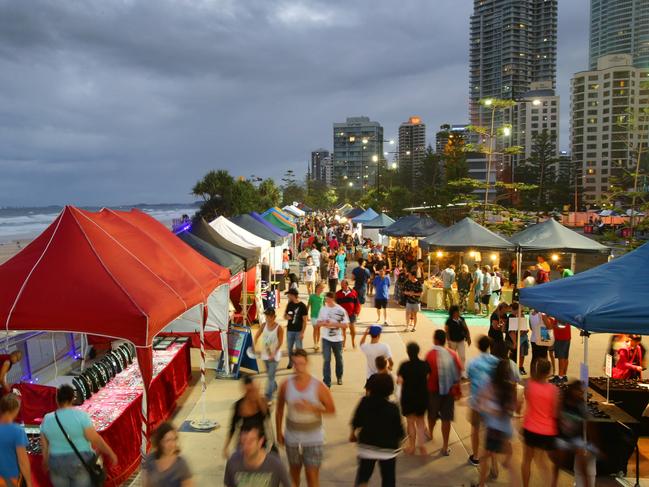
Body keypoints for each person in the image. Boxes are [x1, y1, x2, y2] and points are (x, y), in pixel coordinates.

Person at [276, 349, 335, 487]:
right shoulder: (285, 385)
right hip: (292, 437)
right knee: (294, 475)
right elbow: (279, 410)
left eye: (301, 363)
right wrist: (279, 433)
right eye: (295, 364)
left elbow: (331, 409)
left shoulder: (318, 386)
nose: (298, 367)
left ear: (307, 363)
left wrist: (312, 408)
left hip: (314, 437)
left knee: (312, 476)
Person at [41, 385, 117, 487]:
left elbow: (44, 445)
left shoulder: (47, 419)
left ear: (57, 399)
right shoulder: (81, 416)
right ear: (72, 398)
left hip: (57, 465)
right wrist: (110, 453)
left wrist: (45, 462)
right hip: (79, 462)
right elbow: (95, 439)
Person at [350, 373, 404, 487]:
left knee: (363, 475)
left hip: (367, 447)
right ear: (389, 389)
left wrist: (353, 434)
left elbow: (356, 421)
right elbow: (399, 431)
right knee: (388, 479)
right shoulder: (393, 408)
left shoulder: (364, 402)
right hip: (387, 450)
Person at [472, 358, 519, 487]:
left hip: (494, 428)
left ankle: (481, 484)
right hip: (507, 429)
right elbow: (514, 408)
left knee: (483, 457)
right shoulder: (511, 387)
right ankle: (514, 481)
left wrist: (489, 409)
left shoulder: (490, 384)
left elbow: (480, 404)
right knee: (508, 460)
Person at [520, 358, 559, 487]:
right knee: (543, 462)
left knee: (527, 460)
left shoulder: (529, 386)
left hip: (530, 427)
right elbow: (555, 412)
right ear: (548, 372)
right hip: (548, 430)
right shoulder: (553, 390)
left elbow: (526, 402)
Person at [425, 329, 462, 456]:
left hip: (433, 390)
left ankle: (430, 433)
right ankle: (445, 446)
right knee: (446, 419)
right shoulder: (453, 354)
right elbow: (458, 373)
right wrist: (457, 391)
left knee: (432, 414)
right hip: (449, 391)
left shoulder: (430, 355)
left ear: (435, 340)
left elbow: (427, 375)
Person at [554, 381, 595, 487]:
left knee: (583, 464)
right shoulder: (563, 402)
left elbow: (589, 424)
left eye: (582, 392)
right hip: (562, 437)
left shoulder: (581, 405)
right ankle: (553, 483)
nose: (580, 394)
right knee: (558, 462)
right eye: (579, 391)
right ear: (572, 390)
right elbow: (556, 417)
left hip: (575, 438)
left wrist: (591, 442)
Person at [466, 336, 498, 467]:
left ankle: (476, 456)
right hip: (492, 402)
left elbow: (469, 380)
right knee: (491, 432)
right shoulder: (496, 362)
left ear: (479, 347)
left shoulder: (473, 363)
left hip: (477, 401)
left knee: (475, 429)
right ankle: (493, 460)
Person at [225, 422, 291, 487]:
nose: (246, 446)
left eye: (250, 441)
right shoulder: (232, 462)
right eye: (243, 441)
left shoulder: (275, 465)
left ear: (260, 441)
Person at [222, 377, 270, 459]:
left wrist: (258, 397)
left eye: (251, 390)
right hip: (244, 441)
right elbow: (232, 427)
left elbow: (266, 416)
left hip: (259, 441)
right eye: (247, 391)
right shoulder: (239, 404)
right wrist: (226, 447)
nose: (249, 393)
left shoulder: (261, 401)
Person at [397, 343, 430, 456]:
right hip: (422, 396)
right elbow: (428, 377)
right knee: (420, 421)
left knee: (410, 422)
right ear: (418, 352)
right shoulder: (425, 365)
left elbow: (399, 381)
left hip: (408, 397)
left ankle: (412, 446)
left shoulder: (404, 365)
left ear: (408, 352)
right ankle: (421, 445)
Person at [143, 422, 192, 487]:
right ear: (160, 442)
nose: (172, 444)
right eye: (168, 440)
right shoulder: (150, 460)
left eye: (174, 439)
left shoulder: (181, 465)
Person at [316, 292, 349, 387]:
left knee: (339, 359)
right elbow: (318, 323)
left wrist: (333, 324)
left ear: (332, 299)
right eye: (325, 298)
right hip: (326, 338)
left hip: (338, 339)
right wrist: (323, 323)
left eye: (326, 298)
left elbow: (346, 325)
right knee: (326, 360)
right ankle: (327, 382)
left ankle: (339, 376)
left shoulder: (340, 310)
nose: (325, 300)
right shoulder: (323, 309)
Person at [0, 393, 32, 487]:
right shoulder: (17, 431)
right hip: (9, 478)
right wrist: (29, 482)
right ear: (16, 409)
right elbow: (23, 461)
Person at [254, 308, 284, 401]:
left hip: (274, 356)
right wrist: (254, 346)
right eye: (266, 316)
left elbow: (280, 342)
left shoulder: (279, 328)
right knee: (270, 375)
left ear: (273, 317)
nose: (267, 318)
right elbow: (256, 336)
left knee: (270, 377)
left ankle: (268, 397)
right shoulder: (263, 326)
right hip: (265, 355)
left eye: (269, 316)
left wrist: (274, 354)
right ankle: (274, 386)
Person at [284, 289, 308, 369]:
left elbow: (305, 321)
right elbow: (285, 315)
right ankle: (291, 362)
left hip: (298, 331)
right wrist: (286, 317)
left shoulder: (302, 306)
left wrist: (302, 332)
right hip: (290, 331)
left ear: (293, 295)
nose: (287, 296)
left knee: (299, 350)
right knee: (290, 348)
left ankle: (301, 364)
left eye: (288, 295)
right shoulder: (289, 304)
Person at [335, 280, 361, 349]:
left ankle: (353, 341)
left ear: (346, 285)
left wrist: (357, 312)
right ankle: (344, 345)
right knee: (343, 331)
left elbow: (357, 303)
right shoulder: (338, 294)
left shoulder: (353, 292)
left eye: (342, 284)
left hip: (352, 314)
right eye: (341, 284)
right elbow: (336, 305)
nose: (341, 285)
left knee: (353, 330)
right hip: (342, 315)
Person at [445, 305, 471, 371]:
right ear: (453, 312)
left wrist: (468, 338)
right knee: (451, 357)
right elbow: (447, 332)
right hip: (452, 341)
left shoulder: (462, 319)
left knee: (462, 357)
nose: (459, 312)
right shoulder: (449, 321)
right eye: (457, 311)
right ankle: (451, 371)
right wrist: (448, 341)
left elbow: (466, 328)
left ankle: (462, 372)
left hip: (461, 341)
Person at [529, 310, 555, 376]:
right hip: (542, 338)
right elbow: (549, 326)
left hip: (533, 338)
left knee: (534, 358)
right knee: (543, 358)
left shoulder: (531, 314)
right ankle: (541, 375)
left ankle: (533, 374)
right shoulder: (542, 314)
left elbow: (531, 327)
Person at [507, 302, 529, 375]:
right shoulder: (512, 317)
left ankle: (517, 370)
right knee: (514, 357)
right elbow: (512, 332)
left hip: (516, 340)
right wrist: (515, 342)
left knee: (518, 356)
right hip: (513, 341)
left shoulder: (513, 316)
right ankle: (513, 372)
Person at [307, 282, 325, 352]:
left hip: (321, 316)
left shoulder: (323, 296)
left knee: (319, 329)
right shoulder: (312, 296)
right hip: (313, 316)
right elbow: (308, 306)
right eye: (321, 288)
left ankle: (317, 342)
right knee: (315, 329)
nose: (322, 290)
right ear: (317, 288)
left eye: (323, 289)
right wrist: (307, 315)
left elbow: (324, 306)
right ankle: (315, 343)